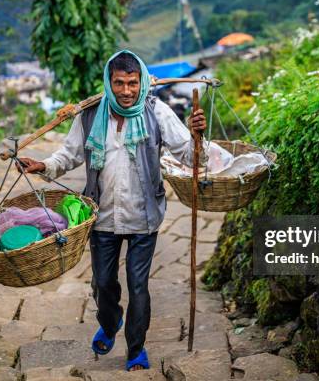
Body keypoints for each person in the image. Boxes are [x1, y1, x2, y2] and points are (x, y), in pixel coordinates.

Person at [16, 50, 207, 371]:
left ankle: (136, 349)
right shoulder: (90, 114)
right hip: (101, 216)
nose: (127, 90)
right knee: (102, 283)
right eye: (119, 83)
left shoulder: (156, 111)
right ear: (109, 82)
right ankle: (110, 321)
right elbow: (70, 155)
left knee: (137, 284)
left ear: (142, 81)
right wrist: (43, 165)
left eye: (133, 83)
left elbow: (188, 154)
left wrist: (197, 134)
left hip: (143, 216)